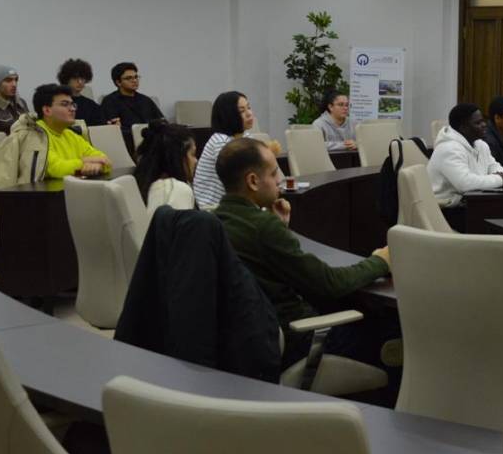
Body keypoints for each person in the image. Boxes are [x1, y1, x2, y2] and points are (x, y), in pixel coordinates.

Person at [211, 137, 391, 368]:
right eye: (274, 173)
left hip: (255, 339)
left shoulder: (218, 220)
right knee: (388, 331)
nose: (280, 179)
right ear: (253, 181)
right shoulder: (262, 228)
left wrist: (280, 228)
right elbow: (330, 283)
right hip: (298, 339)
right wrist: (380, 261)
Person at [428, 103, 503, 205]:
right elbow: (465, 184)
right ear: (463, 127)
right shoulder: (449, 149)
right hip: (448, 207)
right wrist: (499, 179)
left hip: (471, 201)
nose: (484, 125)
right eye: (478, 123)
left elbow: (494, 166)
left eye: (483, 121)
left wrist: (501, 176)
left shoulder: (480, 144)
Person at [33, 83, 113, 180]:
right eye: (65, 104)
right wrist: (85, 162)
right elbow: (56, 169)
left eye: (72, 104)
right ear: (47, 110)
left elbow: (105, 160)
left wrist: (97, 165)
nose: (72, 109)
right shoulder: (35, 134)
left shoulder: (69, 134)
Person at [192, 90, 256, 209]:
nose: (249, 114)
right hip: (213, 208)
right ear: (229, 116)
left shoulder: (247, 137)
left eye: (249, 107)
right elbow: (238, 176)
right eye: (242, 111)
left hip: (232, 204)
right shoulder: (220, 141)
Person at [134, 120, 198, 210]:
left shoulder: (145, 187)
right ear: (177, 156)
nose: (196, 161)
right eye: (193, 154)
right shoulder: (178, 190)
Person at [99, 62, 164, 139]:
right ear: (118, 82)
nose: (134, 80)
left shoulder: (146, 100)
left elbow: (161, 121)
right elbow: (113, 129)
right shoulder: (110, 101)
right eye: (129, 78)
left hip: (151, 139)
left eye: (136, 77)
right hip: (127, 140)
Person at [57, 58, 112, 127]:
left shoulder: (92, 106)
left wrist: (111, 125)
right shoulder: (57, 102)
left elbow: (101, 126)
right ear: (66, 79)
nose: (80, 82)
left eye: (83, 78)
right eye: (75, 78)